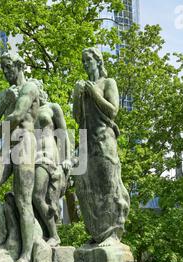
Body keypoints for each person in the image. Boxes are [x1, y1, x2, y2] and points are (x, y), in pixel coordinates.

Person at [0, 52, 41, 262]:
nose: (5, 72)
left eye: (8, 67)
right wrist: (4, 100)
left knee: (23, 199)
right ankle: (3, 233)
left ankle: (25, 255)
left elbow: (16, 115)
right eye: (3, 68)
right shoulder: (5, 92)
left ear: (19, 66)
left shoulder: (30, 88)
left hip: (25, 142)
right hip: (7, 147)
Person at [73, 47, 130, 247]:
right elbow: (78, 117)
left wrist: (94, 93)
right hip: (86, 144)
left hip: (104, 141)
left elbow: (113, 111)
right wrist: (77, 96)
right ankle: (97, 233)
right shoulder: (84, 87)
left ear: (98, 61)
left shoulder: (108, 83)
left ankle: (114, 233)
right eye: (83, 62)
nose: (86, 65)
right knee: (86, 189)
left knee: (109, 187)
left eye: (88, 60)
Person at [31, 80, 72, 247]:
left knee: (37, 195)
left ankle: (54, 234)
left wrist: (67, 158)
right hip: (30, 158)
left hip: (48, 156)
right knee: (33, 199)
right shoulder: (27, 112)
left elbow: (64, 135)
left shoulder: (52, 107)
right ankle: (43, 234)